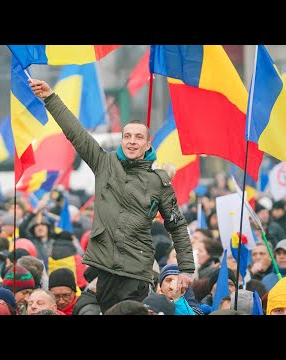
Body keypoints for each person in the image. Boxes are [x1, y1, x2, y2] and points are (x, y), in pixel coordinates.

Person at [29, 79, 195, 314]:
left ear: (148, 144)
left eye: (138, 137)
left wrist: (187, 268)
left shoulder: (159, 182)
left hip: (136, 272)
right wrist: (50, 98)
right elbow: (76, 133)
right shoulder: (104, 163)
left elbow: (177, 226)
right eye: (127, 136)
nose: (132, 141)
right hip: (104, 268)